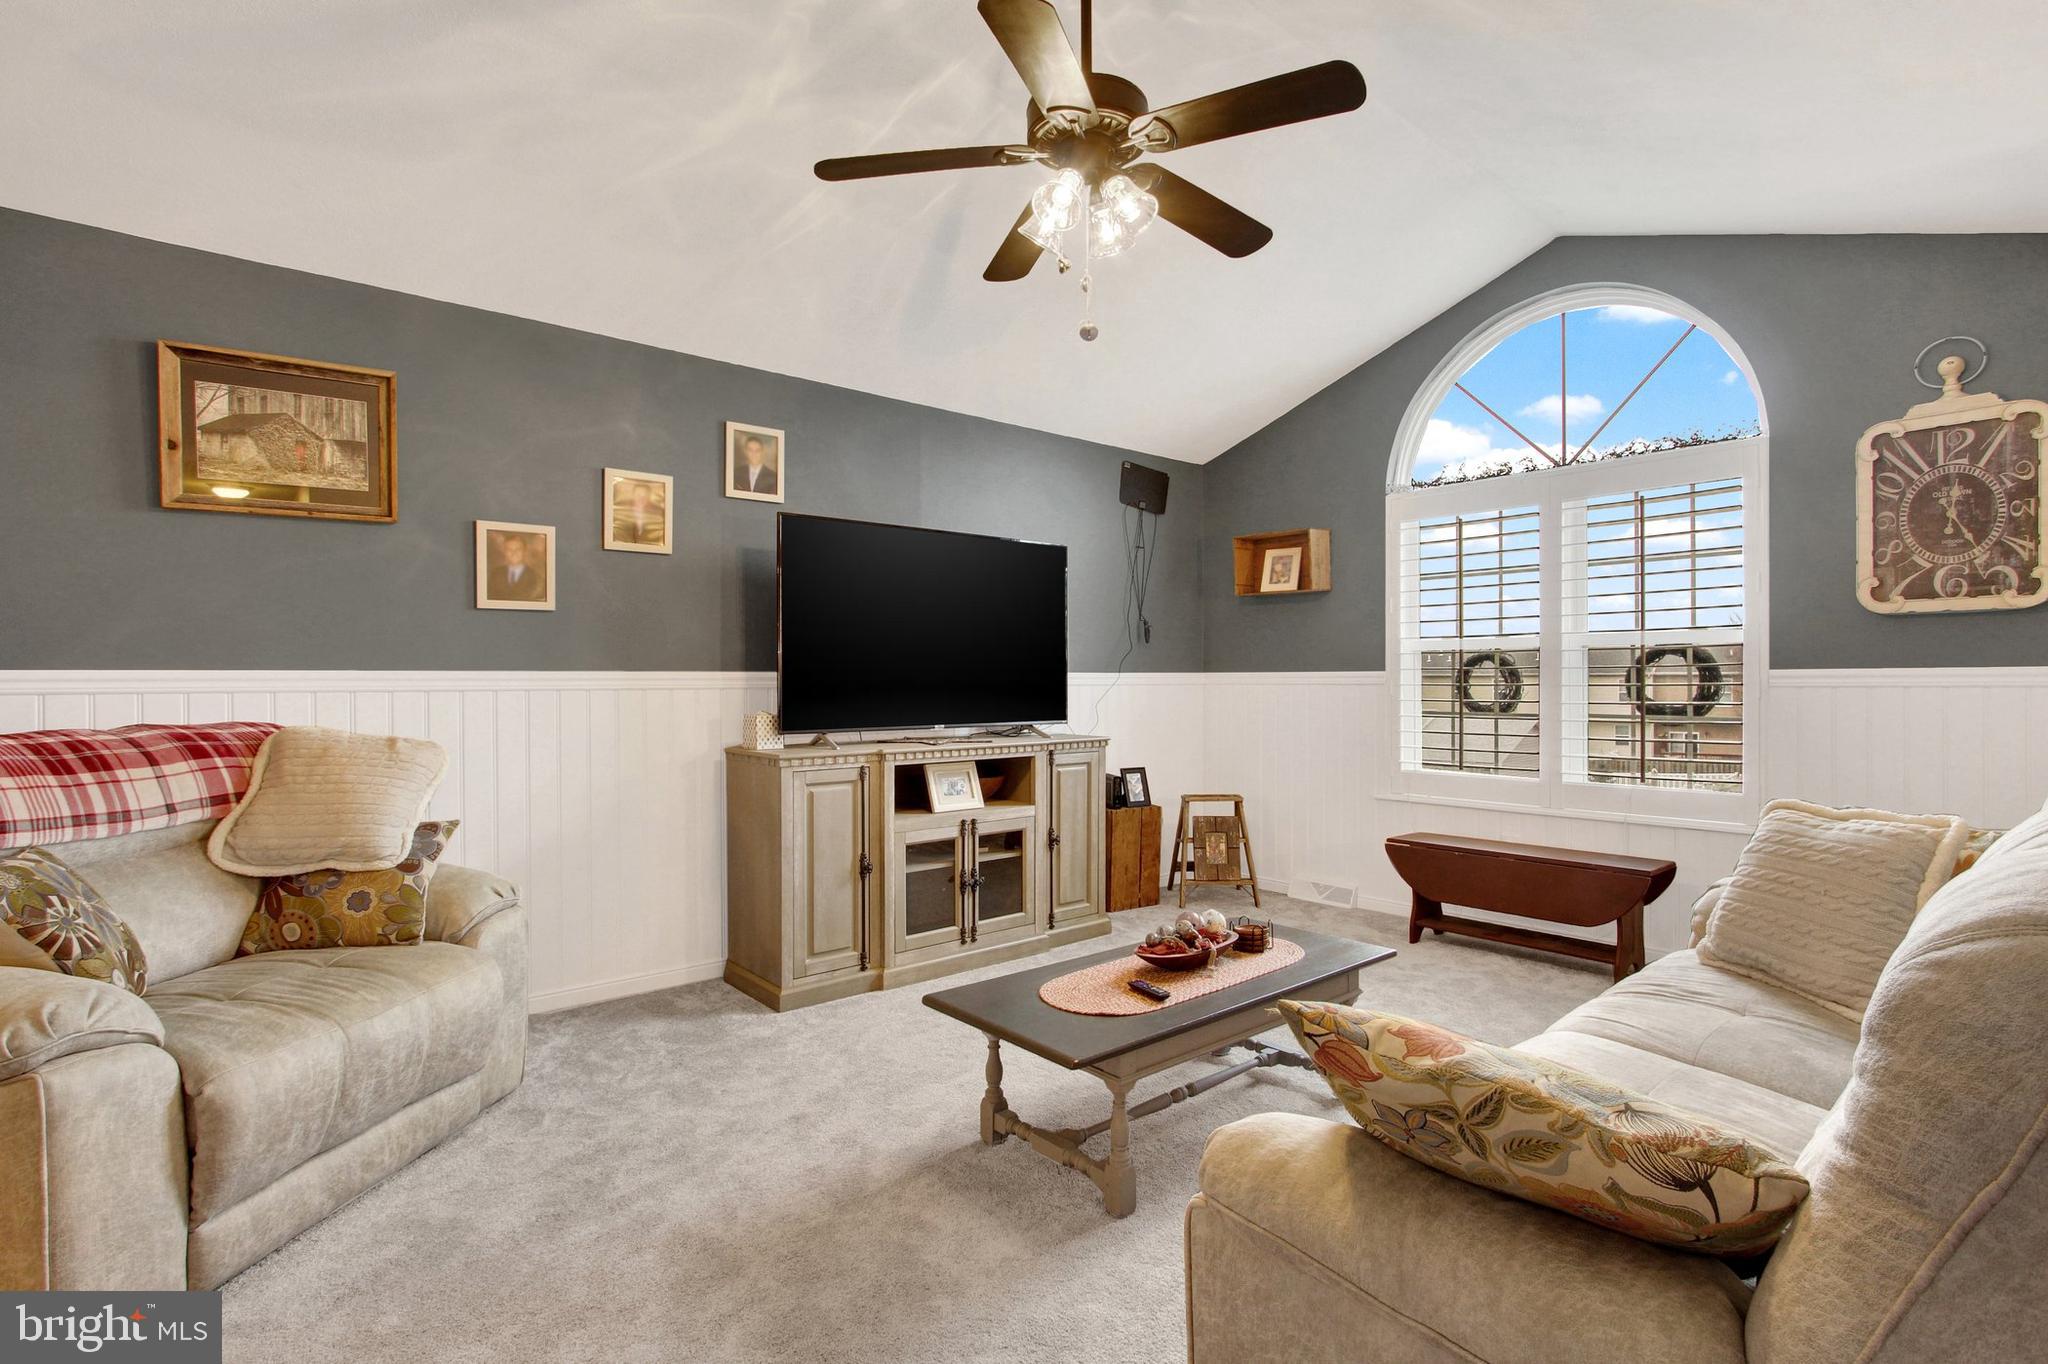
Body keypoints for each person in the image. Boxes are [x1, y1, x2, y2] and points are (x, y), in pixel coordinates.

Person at [489, 532, 546, 601]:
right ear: (504, 552)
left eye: (518, 549)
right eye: (509, 549)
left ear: (524, 551)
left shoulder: (535, 576)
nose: (514, 552)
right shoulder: (495, 574)